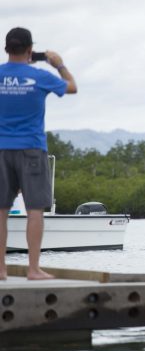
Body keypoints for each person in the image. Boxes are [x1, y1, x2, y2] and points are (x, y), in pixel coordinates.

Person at [0, 27, 77, 280]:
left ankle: (0, 269)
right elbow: (71, 87)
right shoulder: (39, 76)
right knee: (35, 209)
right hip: (31, 148)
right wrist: (59, 64)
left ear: (6, 49)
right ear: (30, 50)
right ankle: (33, 269)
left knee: (0, 210)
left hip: (1, 147)